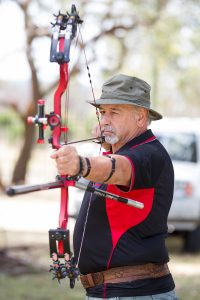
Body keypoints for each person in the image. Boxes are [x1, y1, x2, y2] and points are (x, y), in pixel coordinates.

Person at [51, 74, 178, 300]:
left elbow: (121, 168)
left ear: (140, 117)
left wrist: (80, 164)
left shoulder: (150, 153)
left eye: (114, 112)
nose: (104, 120)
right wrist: (109, 146)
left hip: (134, 293)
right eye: (102, 112)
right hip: (114, 293)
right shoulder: (120, 152)